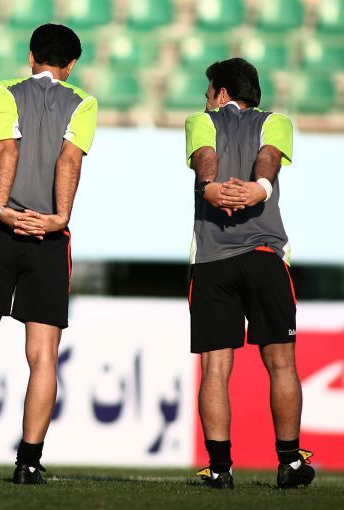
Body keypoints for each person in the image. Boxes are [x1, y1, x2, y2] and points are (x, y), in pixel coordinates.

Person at [0, 23, 97, 485]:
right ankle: (28, 463)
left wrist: (3, 209)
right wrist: (58, 218)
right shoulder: (83, 102)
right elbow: (69, 160)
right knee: (43, 355)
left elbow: (6, 151)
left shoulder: (4, 91)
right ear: (71, 65)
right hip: (49, 237)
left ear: (31, 57)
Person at [186, 58, 314, 489]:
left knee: (215, 368)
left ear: (222, 93)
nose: (206, 100)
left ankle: (220, 469)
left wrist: (210, 187)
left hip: (212, 259)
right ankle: (289, 463)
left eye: (209, 92)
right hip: (264, 255)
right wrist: (260, 188)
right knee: (281, 364)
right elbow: (268, 157)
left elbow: (205, 158)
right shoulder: (276, 122)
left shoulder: (200, 121)